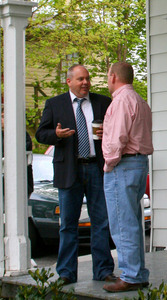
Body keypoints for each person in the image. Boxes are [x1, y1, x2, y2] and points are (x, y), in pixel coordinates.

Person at [35, 64, 115, 284]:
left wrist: (107, 132)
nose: (85, 83)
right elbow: (41, 134)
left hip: (97, 168)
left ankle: (103, 271)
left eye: (87, 79)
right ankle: (66, 273)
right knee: (68, 224)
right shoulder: (55, 104)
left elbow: (116, 129)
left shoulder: (103, 103)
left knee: (101, 221)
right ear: (69, 81)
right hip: (68, 169)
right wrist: (57, 134)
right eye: (80, 79)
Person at [102, 62, 154, 292]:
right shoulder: (139, 100)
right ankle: (139, 273)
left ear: (113, 76)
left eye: (107, 75)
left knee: (122, 222)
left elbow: (118, 140)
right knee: (132, 221)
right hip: (139, 162)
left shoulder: (121, 100)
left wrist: (108, 164)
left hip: (123, 165)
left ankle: (131, 276)